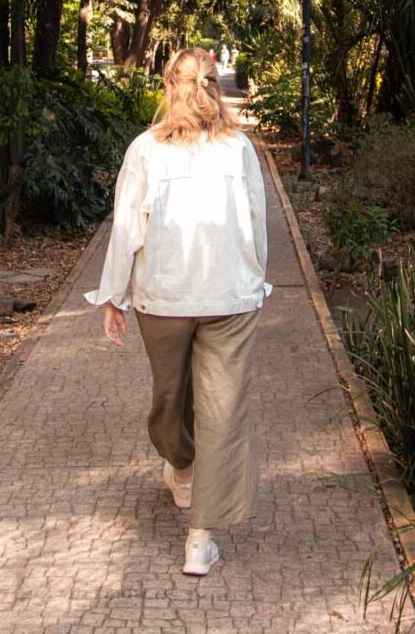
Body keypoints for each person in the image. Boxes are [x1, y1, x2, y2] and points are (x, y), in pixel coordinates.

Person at [85, 46, 271, 576]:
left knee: (187, 403)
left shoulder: (149, 148)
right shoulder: (236, 147)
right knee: (203, 410)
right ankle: (189, 486)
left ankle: (198, 525)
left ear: (170, 86)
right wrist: (256, 279)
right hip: (220, 297)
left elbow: (125, 229)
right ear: (214, 86)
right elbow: (256, 223)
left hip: (173, 299)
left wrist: (114, 296)